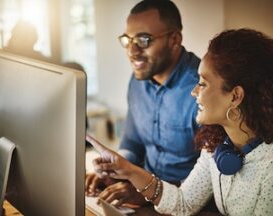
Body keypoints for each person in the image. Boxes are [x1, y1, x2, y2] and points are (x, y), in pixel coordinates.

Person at [86, 28, 273, 215]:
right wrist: (128, 170)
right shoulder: (215, 144)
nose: (194, 92)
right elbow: (184, 203)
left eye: (203, 83)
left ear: (235, 96)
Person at [86, 0, 201, 207]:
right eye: (128, 40)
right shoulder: (138, 81)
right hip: (142, 194)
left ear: (174, 39)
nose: (132, 51)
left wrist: (147, 189)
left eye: (144, 40)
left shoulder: (202, 90)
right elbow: (133, 142)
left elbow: (213, 181)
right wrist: (114, 170)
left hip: (184, 203)